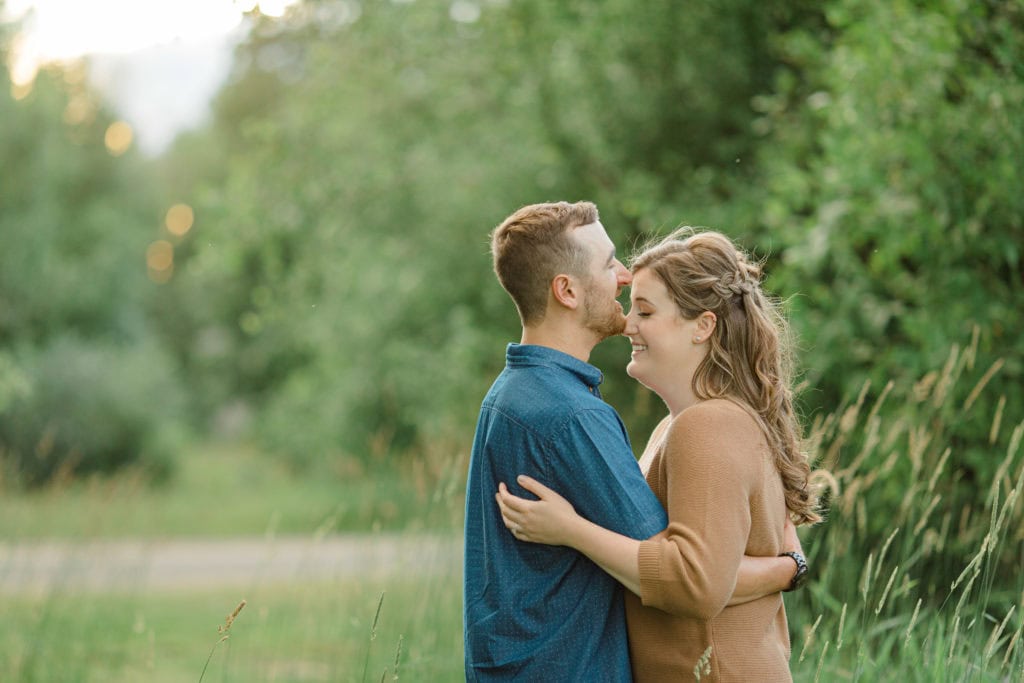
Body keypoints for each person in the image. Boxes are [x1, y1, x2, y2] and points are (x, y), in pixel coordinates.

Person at [465, 204, 804, 681]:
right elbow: (685, 567)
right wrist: (787, 568)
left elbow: (690, 579)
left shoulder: (704, 426)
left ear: (703, 326)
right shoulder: (656, 424)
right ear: (566, 290)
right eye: (609, 264)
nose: (622, 283)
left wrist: (572, 530)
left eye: (648, 310)